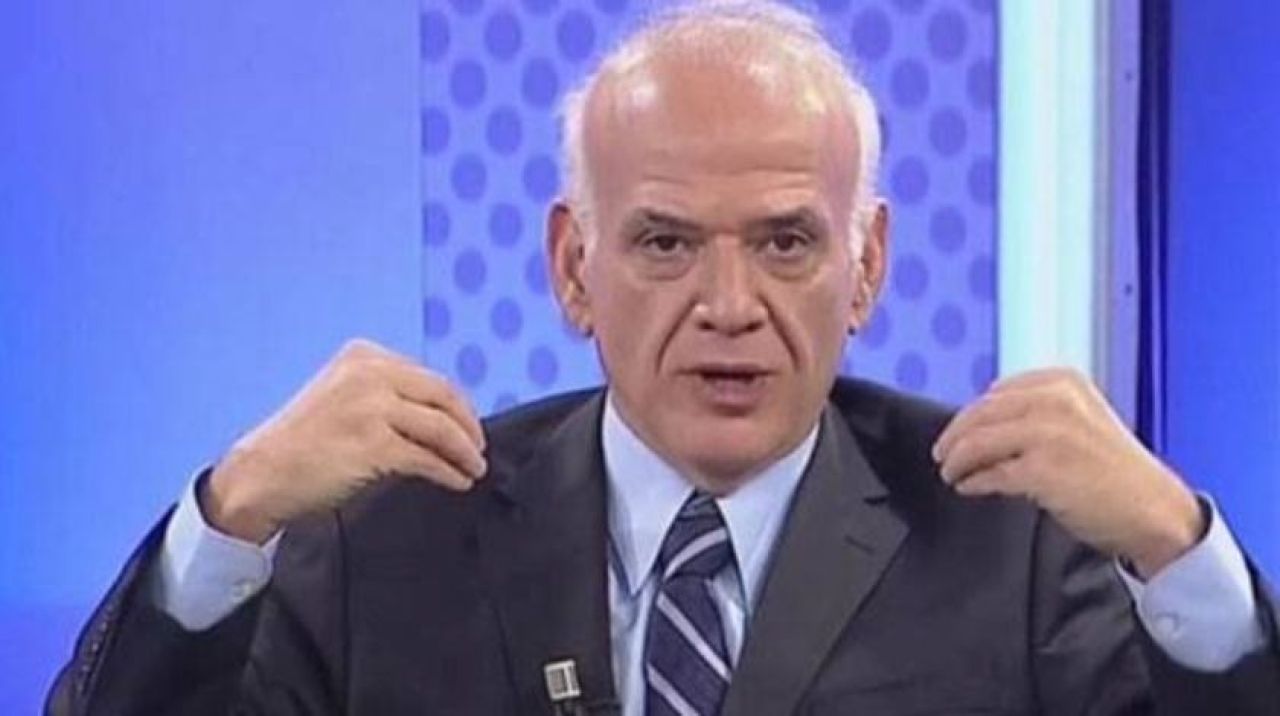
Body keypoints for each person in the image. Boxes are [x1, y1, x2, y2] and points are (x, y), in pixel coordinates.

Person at [48, 2, 1279, 714]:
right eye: (664, 243)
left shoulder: (1007, 538)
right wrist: (232, 516)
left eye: (785, 242)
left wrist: (1177, 550)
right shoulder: (392, 532)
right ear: (572, 266)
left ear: (865, 264)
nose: (727, 305)